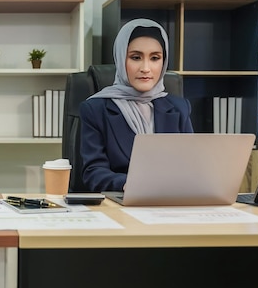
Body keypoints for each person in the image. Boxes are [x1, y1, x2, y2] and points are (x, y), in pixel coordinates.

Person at [79, 18, 193, 192]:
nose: (146, 68)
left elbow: (192, 167)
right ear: (120, 59)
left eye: (155, 58)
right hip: (121, 203)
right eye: (136, 57)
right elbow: (93, 173)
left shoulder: (179, 108)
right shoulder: (95, 110)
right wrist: (132, 184)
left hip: (172, 202)